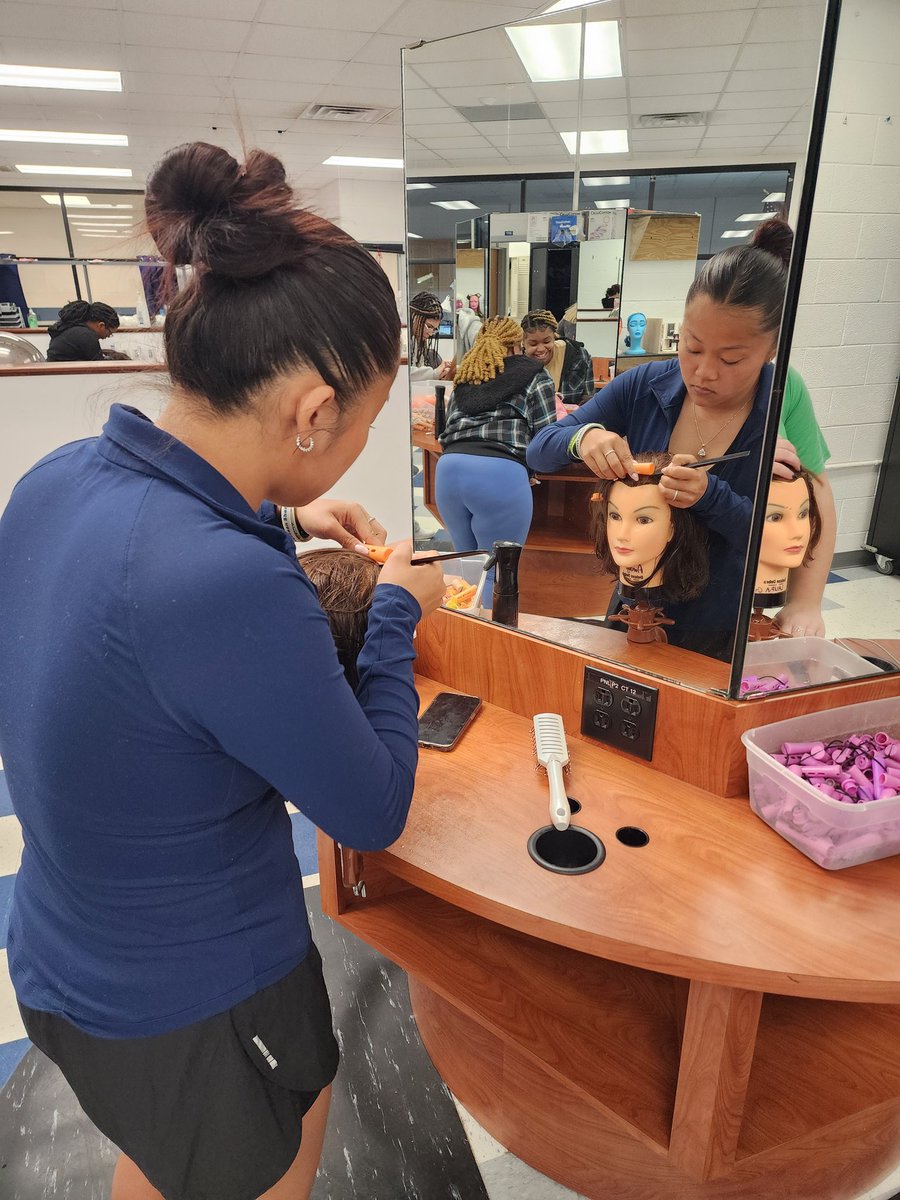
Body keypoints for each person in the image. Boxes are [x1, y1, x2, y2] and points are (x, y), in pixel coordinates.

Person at [0, 141, 445, 1200]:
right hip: (196, 1002)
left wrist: (280, 515)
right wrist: (391, 613)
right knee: (262, 1158)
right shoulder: (224, 587)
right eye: (367, 421)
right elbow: (371, 806)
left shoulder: (56, 479)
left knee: (165, 1154)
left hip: (61, 956)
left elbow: (135, 624)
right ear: (311, 411)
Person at [527, 217, 836, 657]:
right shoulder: (645, 386)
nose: (704, 372)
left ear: (772, 351)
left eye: (731, 359)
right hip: (634, 614)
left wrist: (806, 602)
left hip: (727, 625)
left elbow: (810, 512)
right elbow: (540, 451)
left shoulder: (783, 394)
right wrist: (585, 438)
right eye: (691, 347)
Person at [435, 315, 556, 561]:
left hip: (448, 472)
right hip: (499, 474)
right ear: (515, 346)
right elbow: (546, 440)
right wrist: (529, 471)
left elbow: (447, 430)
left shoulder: (467, 377)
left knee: (466, 569)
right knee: (498, 576)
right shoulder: (534, 374)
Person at [522, 309, 594, 408]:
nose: (541, 349)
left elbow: (589, 401)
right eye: (533, 344)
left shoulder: (579, 356)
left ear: (554, 336)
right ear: (523, 342)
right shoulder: (517, 364)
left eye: (547, 342)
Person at [46, 299, 126, 361]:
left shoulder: (73, 329)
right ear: (101, 325)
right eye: (110, 332)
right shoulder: (86, 335)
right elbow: (100, 365)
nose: (108, 336)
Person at [409, 290, 453, 382]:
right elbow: (404, 374)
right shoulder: (401, 340)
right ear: (415, 317)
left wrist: (441, 373)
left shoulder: (418, 342)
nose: (430, 333)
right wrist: (434, 373)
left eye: (434, 329)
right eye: (429, 326)